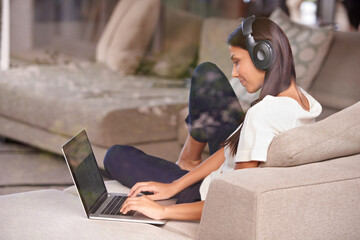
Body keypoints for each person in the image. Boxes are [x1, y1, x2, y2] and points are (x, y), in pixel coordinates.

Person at [103, 16, 322, 220]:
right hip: (219, 169)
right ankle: (188, 162)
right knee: (206, 73)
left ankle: (184, 169)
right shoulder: (304, 102)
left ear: (263, 56)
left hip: (202, 194)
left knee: (115, 156)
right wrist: (175, 185)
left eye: (237, 61)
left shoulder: (262, 114)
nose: (234, 73)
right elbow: (231, 148)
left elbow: (233, 200)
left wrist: (163, 210)